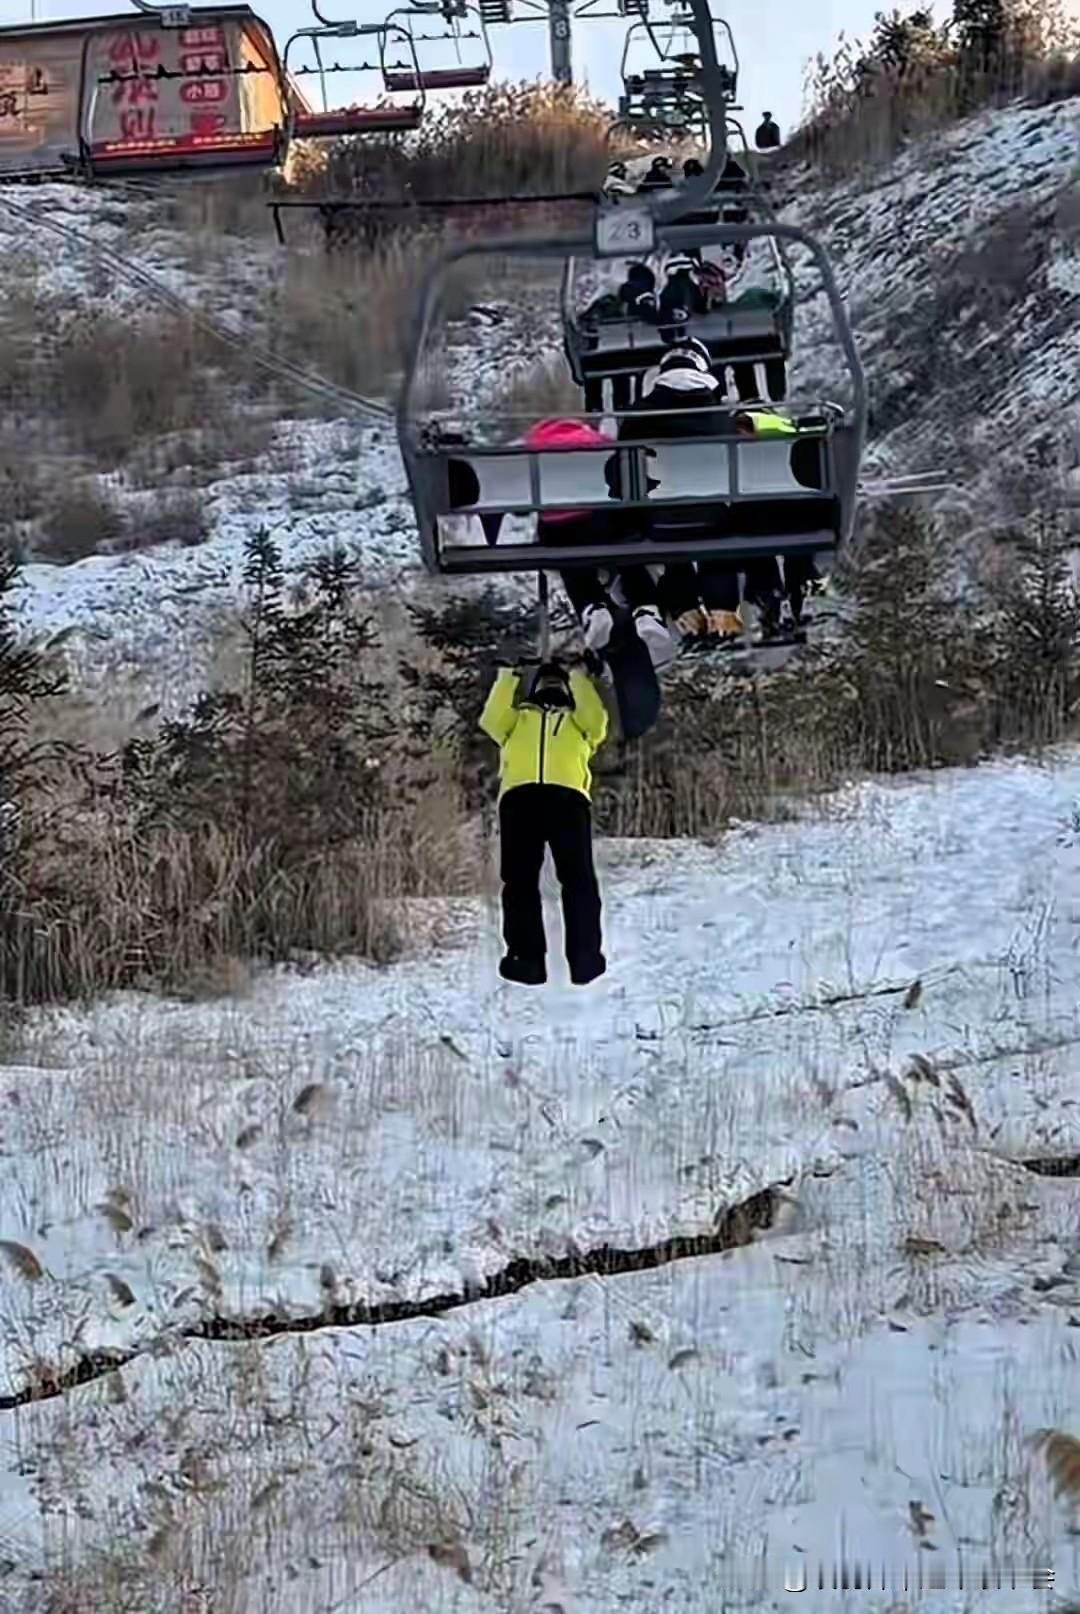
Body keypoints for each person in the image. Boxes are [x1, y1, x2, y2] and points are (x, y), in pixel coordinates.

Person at [479, 660, 608, 987]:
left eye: (558, 683)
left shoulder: (577, 722)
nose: (552, 689)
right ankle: (527, 959)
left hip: (568, 800)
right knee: (519, 883)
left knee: (578, 881)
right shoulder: (518, 718)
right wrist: (508, 675)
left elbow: (597, 722)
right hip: (520, 800)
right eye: (547, 683)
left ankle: (585, 958)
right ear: (535, 688)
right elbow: (491, 720)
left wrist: (578, 676)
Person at [608, 337, 745, 643]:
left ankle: (686, 615)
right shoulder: (719, 417)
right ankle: (722, 614)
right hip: (712, 519)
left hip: (659, 521)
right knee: (716, 544)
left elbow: (619, 474)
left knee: (674, 552)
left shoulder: (638, 416)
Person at [523, 419, 675, 669]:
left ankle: (592, 607)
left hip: (559, 529)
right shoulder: (598, 443)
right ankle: (647, 610)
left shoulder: (533, 449)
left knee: (568, 559)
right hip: (600, 521)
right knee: (625, 549)